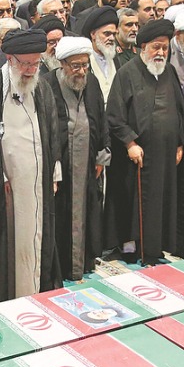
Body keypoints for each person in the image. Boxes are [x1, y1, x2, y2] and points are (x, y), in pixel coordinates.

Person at [0, 28, 61, 304]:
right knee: (9, 248)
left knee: (37, 242)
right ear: (9, 59)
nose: (30, 70)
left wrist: (54, 170)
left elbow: (53, 134)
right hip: (5, 188)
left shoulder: (42, 88)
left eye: (35, 63)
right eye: (25, 64)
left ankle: (36, 296)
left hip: (38, 185)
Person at [106, 18, 184, 263]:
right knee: (137, 204)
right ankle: (134, 248)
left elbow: (179, 111)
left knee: (162, 202)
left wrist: (180, 142)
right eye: (156, 47)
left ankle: (158, 248)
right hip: (137, 157)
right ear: (143, 47)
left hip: (166, 156)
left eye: (165, 48)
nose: (160, 52)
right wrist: (130, 143)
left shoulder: (167, 71)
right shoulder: (127, 73)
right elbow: (114, 116)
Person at [44, 36, 109, 280]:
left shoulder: (90, 82)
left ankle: (84, 262)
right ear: (62, 64)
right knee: (62, 216)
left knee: (87, 212)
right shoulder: (47, 84)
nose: (81, 71)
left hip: (87, 162)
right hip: (61, 166)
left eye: (85, 65)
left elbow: (101, 118)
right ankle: (63, 266)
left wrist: (101, 157)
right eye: (76, 66)